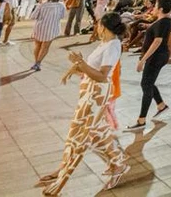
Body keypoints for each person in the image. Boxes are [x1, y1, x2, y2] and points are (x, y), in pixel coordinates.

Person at [36, 12, 130, 195]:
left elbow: (103, 76)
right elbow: (91, 68)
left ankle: (64, 173)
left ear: (103, 26)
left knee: (78, 134)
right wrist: (76, 68)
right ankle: (118, 165)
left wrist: (79, 62)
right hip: (90, 92)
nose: (96, 27)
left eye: (98, 24)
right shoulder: (106, 44)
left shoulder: (112, 45)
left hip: (97, 94)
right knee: (96, 132)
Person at [128, 0, 171, 130]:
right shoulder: (163, 21)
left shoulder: (163, 22)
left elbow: (157, 41)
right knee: (147, 83)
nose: (153, 8)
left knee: (146, 85)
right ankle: (161, 105)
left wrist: (143, 60)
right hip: (157, 56)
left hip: (156, 57)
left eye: (155, 6)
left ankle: (141, 120)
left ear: (160, 9)